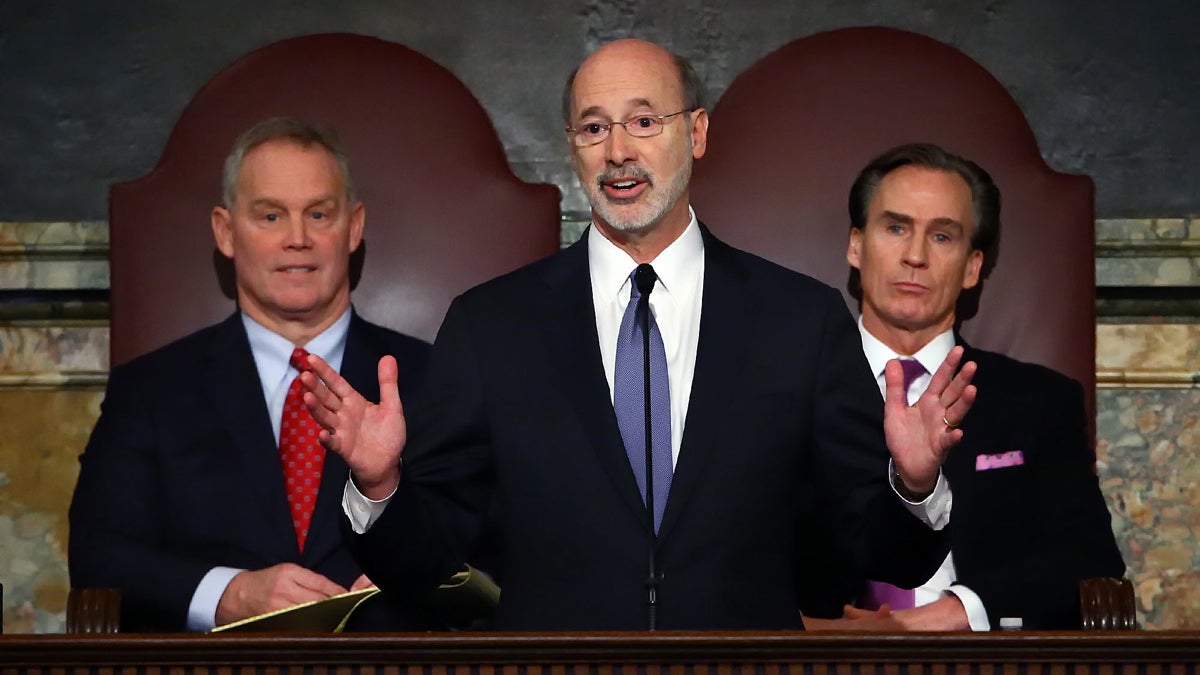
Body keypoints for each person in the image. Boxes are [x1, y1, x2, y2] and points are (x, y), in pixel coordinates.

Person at [304, 39, 975, 631]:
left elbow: (883, 553)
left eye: (644, 121)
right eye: (594, 128)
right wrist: (381, 482)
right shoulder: (493, 326)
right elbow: (422, 561)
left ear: (698, 133)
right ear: (572, 146)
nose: (618, 151)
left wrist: (912, 486)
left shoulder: (798, 320)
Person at [68, 117, 431, 632]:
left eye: (319, 214)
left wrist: (411, 574)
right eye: (270, 216)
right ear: (225, 231)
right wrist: (229, 594)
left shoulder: (435, 379)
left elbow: (495, 543)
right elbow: (98, 556)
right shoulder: (150, 391)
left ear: (353, 228)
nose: (298, 239)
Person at [805, 142, 1125, 631]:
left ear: (973, 266)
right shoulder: (786, 389)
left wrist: (952, 614)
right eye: (895, 228)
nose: (915, 256)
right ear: (855, 245)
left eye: (942, 237)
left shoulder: (1038, 401)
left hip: (980, 660)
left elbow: (1088, 560)